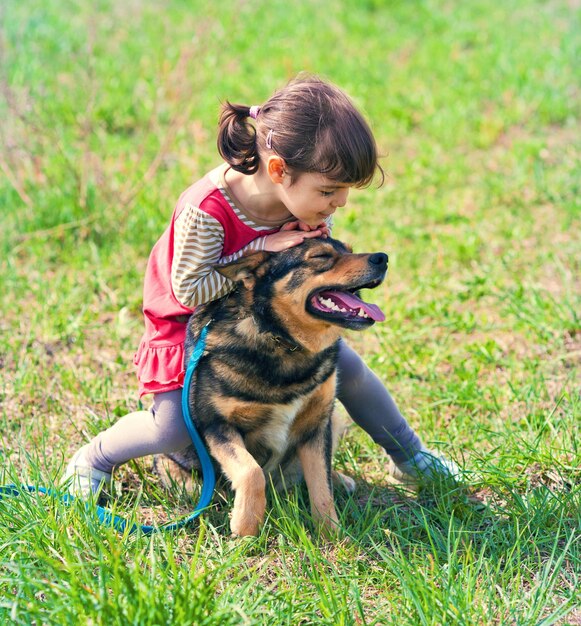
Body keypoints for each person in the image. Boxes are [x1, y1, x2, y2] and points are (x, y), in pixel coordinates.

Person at [64, 74, 459, 497]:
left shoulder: (306, 207)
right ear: (277, 170)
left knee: (351, 371)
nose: (339, 203)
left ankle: (410, 456)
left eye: (344, 191)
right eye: (330, 190)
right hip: (188, 324)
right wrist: (261, 246)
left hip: (265, 319)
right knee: (172, 427)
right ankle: (96, 458)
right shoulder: (207, 209)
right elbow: (187, 291)